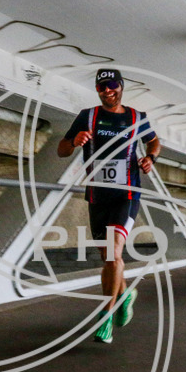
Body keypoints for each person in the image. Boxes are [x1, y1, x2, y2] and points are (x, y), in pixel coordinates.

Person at [57, 68, 161, 344]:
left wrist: (151, 157)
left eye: (112, 85)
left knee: (115, 253)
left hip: (126, 195)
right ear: (97, 90)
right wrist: (74, 141)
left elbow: (154, 140)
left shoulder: (137, 117)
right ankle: (124, 295)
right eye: (102, 87)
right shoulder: (87, 116)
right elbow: (62, 149)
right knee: (109, 260)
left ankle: (105, 317)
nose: (107, 91)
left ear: (121, 87)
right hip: (97, 196)